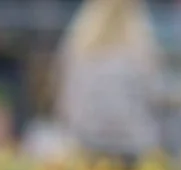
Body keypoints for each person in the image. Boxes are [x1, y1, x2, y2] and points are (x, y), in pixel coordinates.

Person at [54, 0, 164, 161]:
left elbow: (64, 102)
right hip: (133, 147)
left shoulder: (78, 42)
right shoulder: (141, 44)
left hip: (85, 145)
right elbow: (156, 95)